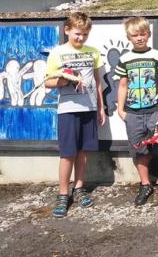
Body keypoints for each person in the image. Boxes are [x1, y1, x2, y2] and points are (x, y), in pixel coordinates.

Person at [45, 12, 107, 218]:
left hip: (88, 108)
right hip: (68, 110)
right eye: (77, 34)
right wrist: (64, 80)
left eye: (85, 35)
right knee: (68, 153)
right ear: (67, 30)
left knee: (84, 152)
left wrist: (101, 107)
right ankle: (63, 194)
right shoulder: (57, 53)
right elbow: (48, 82)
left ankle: (79, 188)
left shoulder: (93, 52)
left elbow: (97, 82)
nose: (81, 38)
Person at [115, 17, 158, 206]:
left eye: (142, 34)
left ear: (148, 34)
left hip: (155, 110)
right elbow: (122, 85)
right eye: (134, 35)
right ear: (128, 37)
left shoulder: (157, 55)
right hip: (133, 111)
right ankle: (145, 183)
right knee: (139, 150)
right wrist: (120, 109)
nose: (139, 38)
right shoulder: (125, 59)